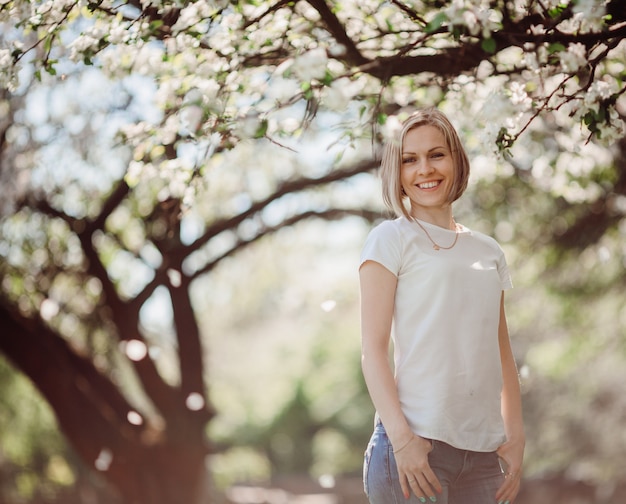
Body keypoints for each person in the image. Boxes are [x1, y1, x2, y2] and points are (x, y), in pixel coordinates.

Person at [359, 107, 525, 504]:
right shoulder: (391, 239)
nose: (424, 170)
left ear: (456, 160)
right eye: (409, 160)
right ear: (396, 173)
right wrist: (402, 441)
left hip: (484, 454)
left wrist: (515, 434)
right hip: (417, 446)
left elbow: (501, 352)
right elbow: (372, 350)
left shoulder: (488, 250)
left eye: (437, 154)